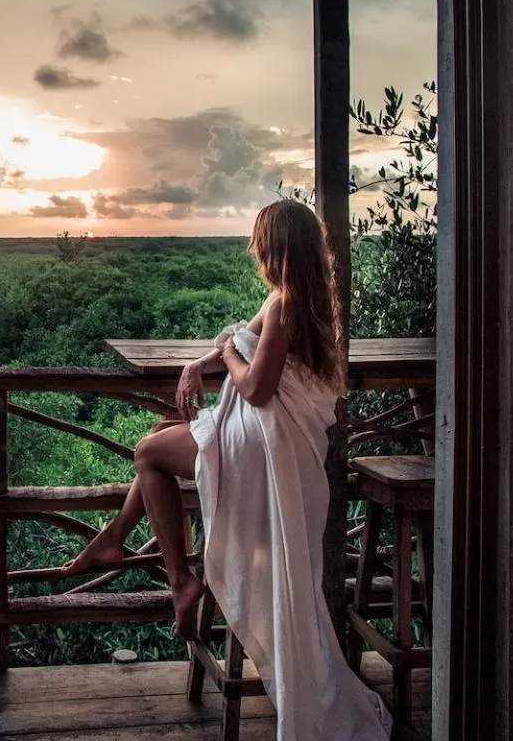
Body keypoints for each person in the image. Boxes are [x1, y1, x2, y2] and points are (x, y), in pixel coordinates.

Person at [62, 198, 393, 741]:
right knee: (153, 449)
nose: (256, 252)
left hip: (260, 450)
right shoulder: (301, 303)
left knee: (148, 453)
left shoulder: (285, 305)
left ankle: (177, 579)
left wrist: (226, 356)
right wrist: (202, 360)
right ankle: (119, 540)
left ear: (276, 249)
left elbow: (257, 385)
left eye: (262, 243)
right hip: (273, 450)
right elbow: (246, 345)